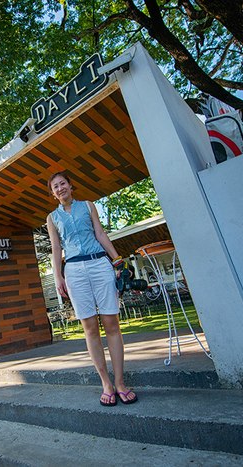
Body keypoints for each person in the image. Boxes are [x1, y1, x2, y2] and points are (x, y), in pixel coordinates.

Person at [46, 171, 138, 406]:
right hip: (74, 270)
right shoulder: (52, 218)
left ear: (71, 186)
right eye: (55, 187)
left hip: (99, 264)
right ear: (53, 193)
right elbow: (56, 248)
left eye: (63, 183)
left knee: (111, 323)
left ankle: (120, 383)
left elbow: (100, 233)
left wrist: (117, 260)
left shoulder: (88, 206)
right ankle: (106, 384)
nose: (60, 188)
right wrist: (58, 276)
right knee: (89, 327)